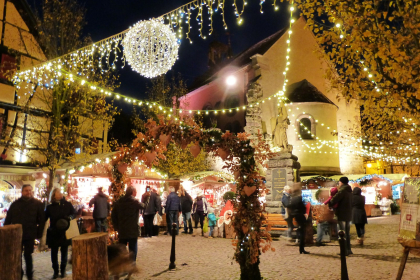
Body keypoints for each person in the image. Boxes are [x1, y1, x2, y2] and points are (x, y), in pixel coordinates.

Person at [4, 184, 45, 280]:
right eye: (26, 190)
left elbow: (42, 220)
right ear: (22, 192)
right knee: (17, 255)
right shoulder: (15, 204)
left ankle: (30, 275)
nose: (28, 192)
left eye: (30, 190)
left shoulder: (38, 204)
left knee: (28, 255)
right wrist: (6, 232)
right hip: (16, 235)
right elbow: (8, 219)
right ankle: (19, 274)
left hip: (30, 234)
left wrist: (39, 233)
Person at [45, 188, 76, 279]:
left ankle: (63, 270)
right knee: (54, 252)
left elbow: (73, 213)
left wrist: (70, 217)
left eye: (60, 192)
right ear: (54, 195)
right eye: (58, 192)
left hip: (65, 231)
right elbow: (45, 217)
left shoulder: (67, 204)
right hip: (54, 232)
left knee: (64, 251)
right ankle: (55, 271)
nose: (60, 194)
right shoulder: (50, 207)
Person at [111, 186, 146, 261]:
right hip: (132, 230)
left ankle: (123, 264)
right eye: (135, 192)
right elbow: (144, 206)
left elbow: (113, 215)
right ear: (133, 192)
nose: (136, 193)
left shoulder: (119, 201)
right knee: (132, 248)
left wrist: (116, 226)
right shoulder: (134, 201)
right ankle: (132, 264)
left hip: (122, 229)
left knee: (122, 249)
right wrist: (146, 197)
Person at [329, 177, 353, 256]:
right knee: (347, 233)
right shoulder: (349, 190)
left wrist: (330, 203)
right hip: (348, 214)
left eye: (339, 182)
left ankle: (344, 250)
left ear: (342, 182)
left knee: (342, 233)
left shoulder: (342, 190)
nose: (339, 183)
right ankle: (348, 249)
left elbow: (335, 199)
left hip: (342, 213)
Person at [288, 187, 310, 254]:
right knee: (303, 232)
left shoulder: (292, 198)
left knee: (301, 231)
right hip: (300, 216)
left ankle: (301, 248)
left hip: (295, 216)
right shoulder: (299, 198)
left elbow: (290, 206)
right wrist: (304, 212)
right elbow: (302, 207)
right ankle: (302, 248)